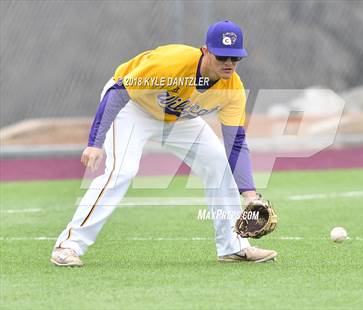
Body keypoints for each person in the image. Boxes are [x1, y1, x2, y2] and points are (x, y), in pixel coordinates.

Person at [51, 20, 277, 267]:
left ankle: (233, 247)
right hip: (133, 108)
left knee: (219, 164)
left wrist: (250, 195)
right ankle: (68, 246)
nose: (228, 64)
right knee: (121, 171)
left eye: (235, 58)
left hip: (178, 117)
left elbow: (235, 143)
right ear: (205, 51)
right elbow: (118, 92)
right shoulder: (170, 64)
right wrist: (95, 142)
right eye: (222, 57)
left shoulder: (233, 89)